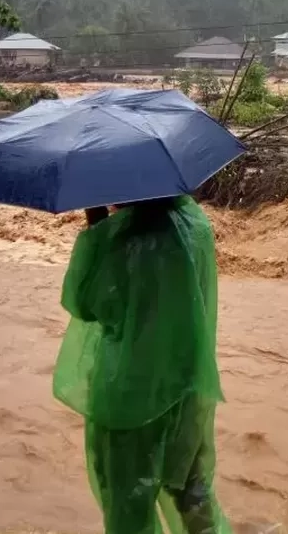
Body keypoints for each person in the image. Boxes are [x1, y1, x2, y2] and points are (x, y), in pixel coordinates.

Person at [53, 196, 229, 534]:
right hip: (187, 382)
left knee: (128, 499)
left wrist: (97, 224)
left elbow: (85, 302)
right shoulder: (194, 221)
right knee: (191, 488)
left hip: (130, 390)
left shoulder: (125, 239)